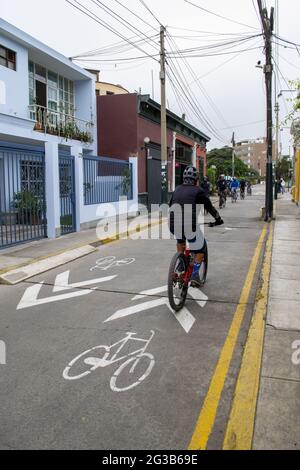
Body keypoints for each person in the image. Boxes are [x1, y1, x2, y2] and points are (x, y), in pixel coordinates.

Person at [169, 167, 224, 288]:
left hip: (173, 224)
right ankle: (194, 275)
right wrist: (218, 219)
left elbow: (170, 205)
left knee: (180, 240)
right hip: (189, 225)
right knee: (201, 247)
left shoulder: (177, 189)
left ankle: (181, 264)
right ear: (196, 180)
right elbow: (209, 207)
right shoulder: (198, 191)